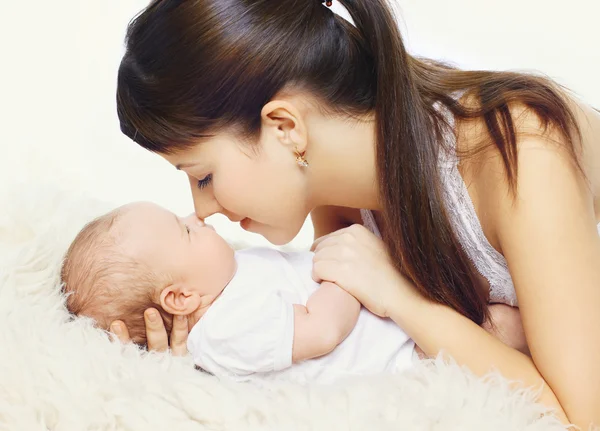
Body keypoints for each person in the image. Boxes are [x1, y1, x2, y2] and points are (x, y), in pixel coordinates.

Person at [111, 0, 600, 427]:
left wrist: (402, 298)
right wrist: (204, 366)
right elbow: (366, 353)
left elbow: (580, 419)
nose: (202, 210)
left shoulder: (520, 152)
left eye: (203, 176)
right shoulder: (334, 187)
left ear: (285, 128)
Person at [61, 201, 416, 383]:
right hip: (401, 353)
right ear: (181, 297)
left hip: (398, 314)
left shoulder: (230, 279)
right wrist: (346, 275)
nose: (195, 218)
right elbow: (322, 330)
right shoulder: (224, 330)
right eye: (184, 231)